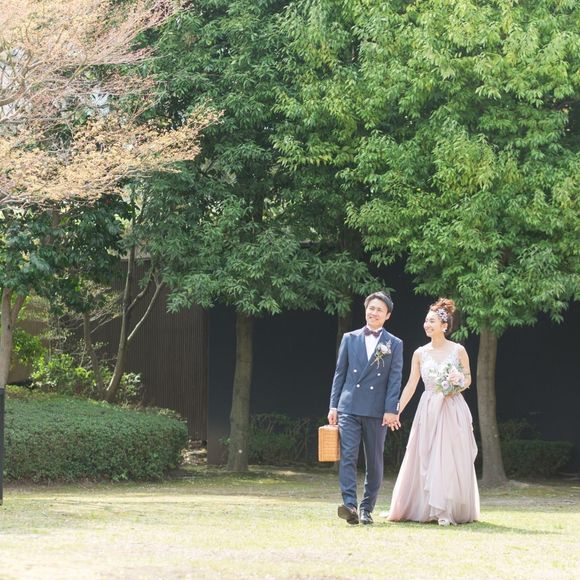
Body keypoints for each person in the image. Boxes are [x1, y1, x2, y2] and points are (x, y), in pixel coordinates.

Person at [386, 298, 480, 525]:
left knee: (448, 456)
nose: (427, 325)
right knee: (426, 455)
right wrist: (396, 410)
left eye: (432, 321)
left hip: (451, 406)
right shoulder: (420, 353)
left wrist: (455, 384)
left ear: (444, 326)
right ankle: (425, 506)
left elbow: (468, 378)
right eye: (426, 321)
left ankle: (446, 509)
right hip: (428, 407)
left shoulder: (458, 350)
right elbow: (411, 385)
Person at [328, 291, 403, 525]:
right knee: (348, 456)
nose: (374, 312)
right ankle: (350, 505)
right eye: (371, 308)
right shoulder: (350, 338)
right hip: (349, 406)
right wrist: (333, 405)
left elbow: (395, 379)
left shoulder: (394, 343)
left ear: (387, 315)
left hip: (377, 410)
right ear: (365, 310)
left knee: (374, 460)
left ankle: (366, 508)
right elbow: (339, 373)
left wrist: (391, 409)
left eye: (379, 309)